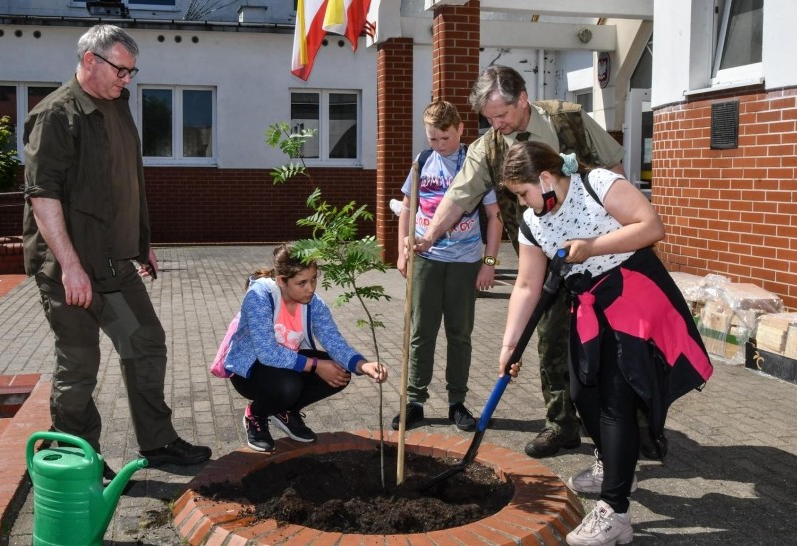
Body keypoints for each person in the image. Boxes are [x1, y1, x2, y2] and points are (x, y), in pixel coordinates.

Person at [497, 142, 713, 546]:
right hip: (589, 305)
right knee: (582, 392)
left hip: (633, 294)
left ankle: (615, 513)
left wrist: (592, 246)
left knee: (615, 400)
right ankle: (615, 464)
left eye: (522, 192)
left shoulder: (597, 183)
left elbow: (651, 226)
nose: (522, 202)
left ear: (545, 178)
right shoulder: (532, 221)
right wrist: (509, 345)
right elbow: (526, 286)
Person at [22, 24, 212, 476]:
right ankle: (78, 456)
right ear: (90, 60)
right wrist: (69, 266)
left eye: (131, 72)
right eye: (121, 70)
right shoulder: (56, 115)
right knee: (79, 366)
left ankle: (159, 442)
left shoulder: (119, 105)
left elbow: (128, 181)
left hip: (115, 264)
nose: (127, 80)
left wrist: (142, 242)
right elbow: (42, 194)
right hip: (70, 269)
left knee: (145, 341)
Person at [414, 65, 627, 458]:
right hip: (542, 256)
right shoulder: (488, 147)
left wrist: (618, 231)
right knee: (549, 338)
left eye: (502, 115)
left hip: (601, 250)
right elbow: (460, 197)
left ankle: (637, 426)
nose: (496, 124)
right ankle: (561, 425)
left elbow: (614, 169)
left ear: (523, 99)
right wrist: (429, 234)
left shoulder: (569, 119)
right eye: (489, 118)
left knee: (616, 340)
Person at [392, 101, 503, 432]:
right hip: (425, 261)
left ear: (460, 131)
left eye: (444, 138)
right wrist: (401, 248)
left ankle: (457, 402)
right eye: (432, 139)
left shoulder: (474, 164)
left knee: (459, 334)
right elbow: (408, 209)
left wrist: (489, 263)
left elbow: (494, 217)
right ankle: (414, 401)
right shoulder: (422, 161)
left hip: (465, 263)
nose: (438, 145)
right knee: (421, 332)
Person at [218, 243, 388, 452]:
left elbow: (334, 341)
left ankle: (284, 412)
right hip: (249, 371)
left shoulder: (313, 303)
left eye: (314, 278)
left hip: (284, 364)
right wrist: (316, 365)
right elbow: (267, 353)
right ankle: (256, 415)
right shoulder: (259, 297)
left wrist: (363, 365)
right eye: (302, 283)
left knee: (340, 373)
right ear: (281, 281)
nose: (311, 288)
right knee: (289, 385)